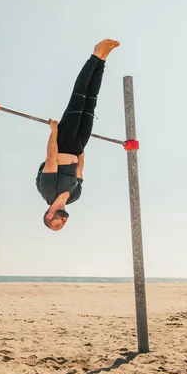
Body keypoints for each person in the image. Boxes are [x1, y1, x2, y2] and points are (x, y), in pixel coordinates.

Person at [35, 39, 120, 231]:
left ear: (49, 215)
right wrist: (81, 148)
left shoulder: (47, 191)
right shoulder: (74, 197)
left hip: (63, 142)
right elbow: (80, 169)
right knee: (91, 102)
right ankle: (102, 60)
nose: (63, 222)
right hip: (78, 145)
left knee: (79, 96)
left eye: (57, 223)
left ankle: (95, 55)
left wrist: (54, 132)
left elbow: (50, 159)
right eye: (62, 225)